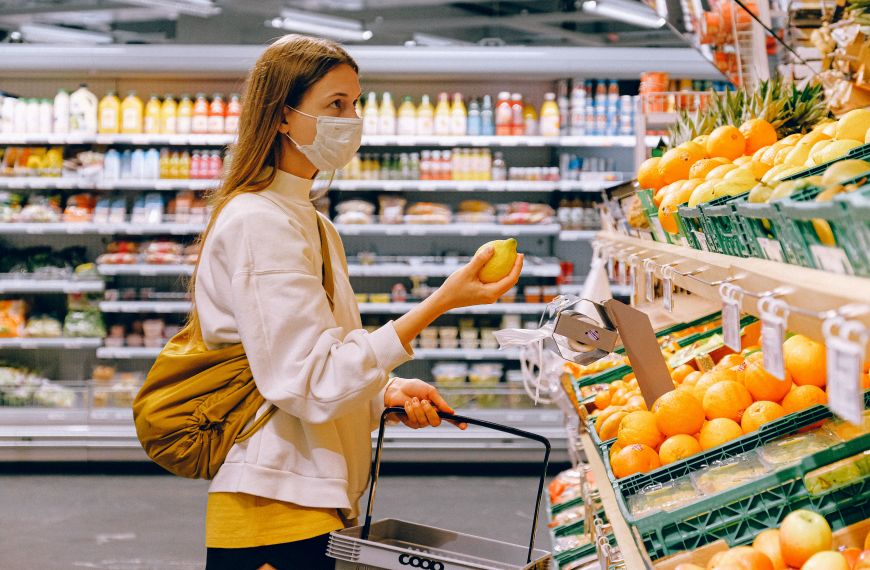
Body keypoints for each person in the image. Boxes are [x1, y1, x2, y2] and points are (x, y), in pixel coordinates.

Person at [191, 35, 523, 569]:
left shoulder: (312, 223)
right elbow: (307, 381)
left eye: (356, 103)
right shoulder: (259, 221)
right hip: (274, 506)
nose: (352, 119)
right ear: (282, 116)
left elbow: (317, 363)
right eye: (335, 105)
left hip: (314, 497)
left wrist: (382, 392)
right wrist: (440, 303)